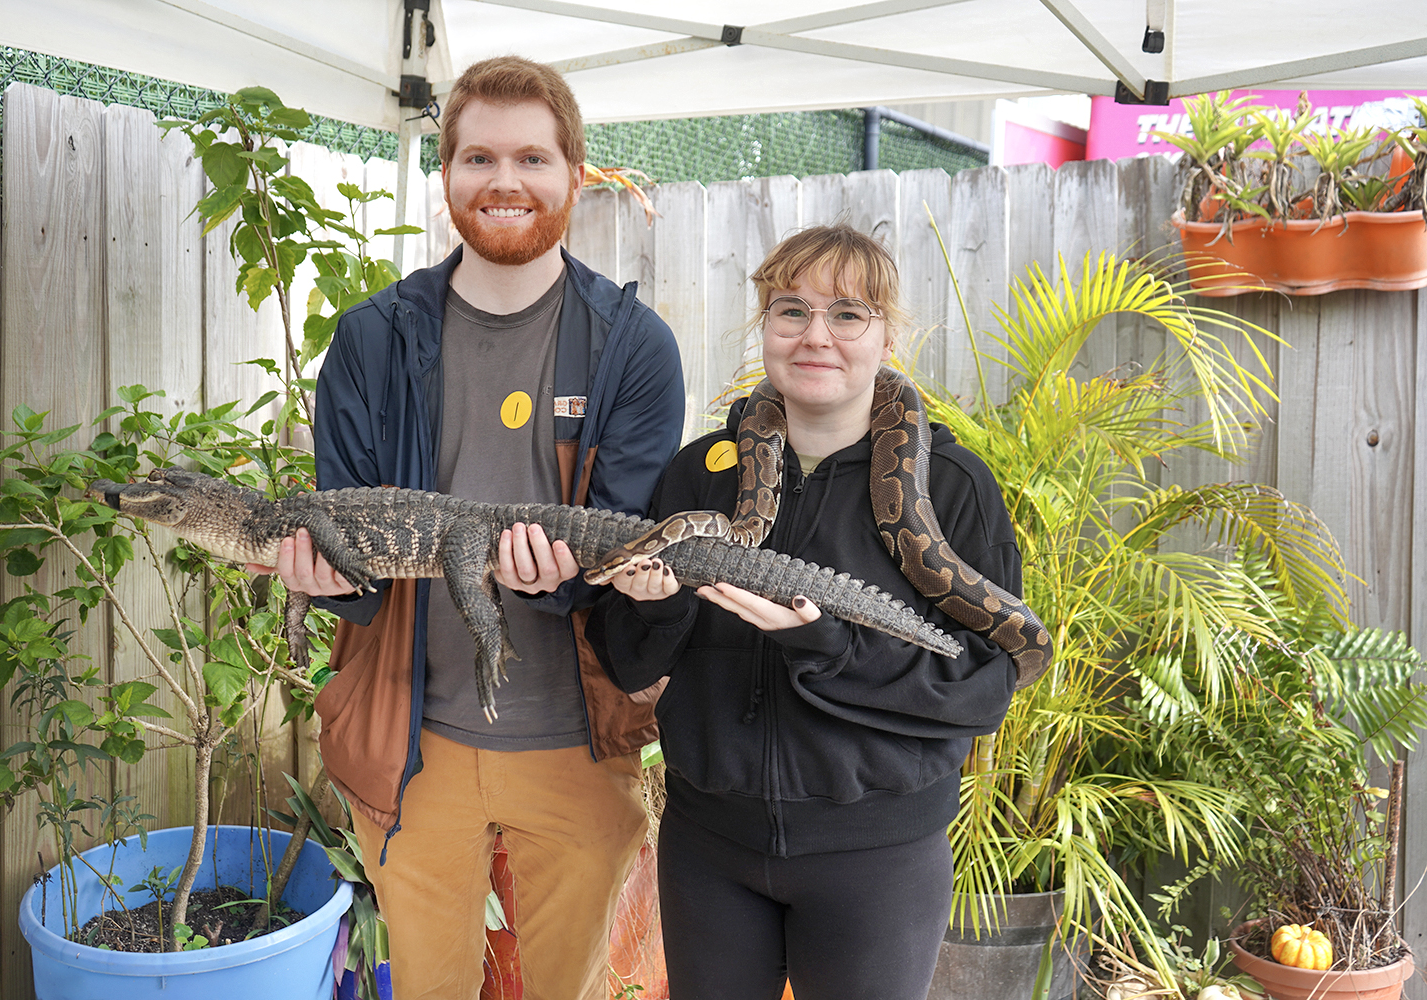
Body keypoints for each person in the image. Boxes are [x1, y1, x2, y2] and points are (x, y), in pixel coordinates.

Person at [248, 56, 685, 1000]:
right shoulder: (372, 339)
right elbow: (355, 552)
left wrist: (558, 577)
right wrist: (321, 577)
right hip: (413, 749)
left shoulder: (633, 347)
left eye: (533, 157)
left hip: (579, 744)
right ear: (444, 174)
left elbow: (629, 542)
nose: (505, 182)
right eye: (478, 156)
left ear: (576, 173)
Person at [587, 224, 1019, 1000]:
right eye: (791, 311)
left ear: (888, 335)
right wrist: (653, 610)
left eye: (847, 313)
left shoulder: (954, 487)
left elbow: (980, 690)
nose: (816, 335)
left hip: (876, 857)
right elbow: (627, 663)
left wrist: (826, 643)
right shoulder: (699, 473)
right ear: (766, 327)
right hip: (709, 845)